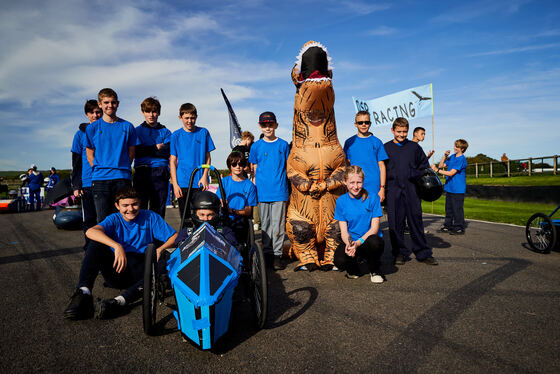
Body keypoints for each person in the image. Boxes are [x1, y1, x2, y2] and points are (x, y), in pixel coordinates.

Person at [63, 187, 177, 320]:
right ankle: (83, 293)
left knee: (167, 261)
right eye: (125, 205)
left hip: (142, 271)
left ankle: (118, 302)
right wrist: (117, 246)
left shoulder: (150, 216)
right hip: (118, 269)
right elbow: (90, 232)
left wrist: (160, 249)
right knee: (95, 244)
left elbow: (174, 236)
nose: (130, 209)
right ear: (117, 206)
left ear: (140, 202)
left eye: (134, 204)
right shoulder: (114, 219)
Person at [384, 117, 438, 266]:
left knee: (416, 220)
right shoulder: (385, 148)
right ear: (392, 130)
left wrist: (412, 173)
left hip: (412, 189)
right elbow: (381, 169)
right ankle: (399, 253)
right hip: (393, 190)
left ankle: (423, 252)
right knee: (395, 223)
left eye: (405, 132)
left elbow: (424, 167)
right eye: (399, 131)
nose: (402, 135)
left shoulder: (414, 148)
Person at [85, 88, 137, 222]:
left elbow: (131, 152)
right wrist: (98, 167)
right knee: (103, 220)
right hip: (100, 179)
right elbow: (89, 152)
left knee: (125, 218)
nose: (110, 106)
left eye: (113, 102)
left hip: (122, 178)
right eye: (106, 102)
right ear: (100, 104)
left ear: (118, 104)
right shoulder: (92, 128)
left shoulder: (127, 126)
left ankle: (123, 244)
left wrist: (122, 166)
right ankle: (105, 244)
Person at [249, 111, 290, 270]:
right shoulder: (256, 146)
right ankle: (266, 254)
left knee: (278, 226)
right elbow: (254, 169)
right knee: (265, 226)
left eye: (270, 124)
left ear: (276, 125)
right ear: (260, 126)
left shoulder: (283, 145)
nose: (268, 127)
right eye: (264, 125)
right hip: (262, 192)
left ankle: (278, 255)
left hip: (279, 191)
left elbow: (287, 167)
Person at [334, 166, 385, 283]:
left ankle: (375, 269)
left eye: (359, 182)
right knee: (339, 261)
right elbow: (344, 231)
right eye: (352, 182)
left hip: (367, 241)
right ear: (344, 182)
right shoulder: (341, 201)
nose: (356, 186)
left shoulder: (373, 198)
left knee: (375, 242)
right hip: (353, 241)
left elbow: (374, 228)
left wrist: (358, 243)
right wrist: (349, 245)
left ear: (363, 181)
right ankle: (355, 269)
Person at [169, 103, 215, 224]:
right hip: (182, 182)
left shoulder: (203, 132)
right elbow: (172, 161)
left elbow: (208, 158)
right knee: (185, 218)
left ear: (196, 117)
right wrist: (175, 184)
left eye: (192, 118)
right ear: (180, 118)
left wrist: (205, 176)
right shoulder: (175, 135)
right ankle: (186, 241)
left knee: (201, 217)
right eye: (186, 118)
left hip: (200, 182)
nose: (190, 121)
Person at [133, 97, 172, 218]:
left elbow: (166, 152)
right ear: (143, 112)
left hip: (160, 172)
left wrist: (146, 149)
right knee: (140, 208)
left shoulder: (165, 132)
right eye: (148, 111)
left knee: (158, 209)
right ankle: (142, 237)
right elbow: (137, 152)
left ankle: (157, 237)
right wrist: (156, 148)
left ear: (159, 113)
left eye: (154, 111)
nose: (151, 115)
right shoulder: (136, 131)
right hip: (141, 171)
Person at [71, 100, 102, 249]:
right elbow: (76, 162)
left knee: (105, 218)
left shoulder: (106, 130)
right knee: (89, 219)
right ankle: (90, 249)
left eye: (98, 112)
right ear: (87, 114)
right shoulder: (79, 134)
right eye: (92, 112)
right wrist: (77, 185)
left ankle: (106, 250)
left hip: (104, 180)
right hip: (87, 183)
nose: (95, 115)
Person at [343, 110, 388, 202]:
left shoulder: (377, 142)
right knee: (355, 214)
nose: (363, 124)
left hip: (373, 186)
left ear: (370, 123)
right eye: (360, 122)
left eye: (366, 122)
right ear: (356, 124)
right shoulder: (349, 142)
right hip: (354, 185)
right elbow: (346, 165)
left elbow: (382, 166)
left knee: (372, 214)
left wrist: (382, 188)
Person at [217, 151, 258, 246]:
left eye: (241, 164)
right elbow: (218, 201)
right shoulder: (224, 182)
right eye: (234, 164)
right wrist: (223, 207)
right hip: (224, 219)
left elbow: (248, 211)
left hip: (240, 220)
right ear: (230, 166)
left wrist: (232, 211)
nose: (237, 167)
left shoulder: (250, 185)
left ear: (244, 166)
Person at [174, 190, 238, 249]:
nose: (206, 219)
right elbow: (179, 247)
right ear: (195, 214)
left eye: (209, 215)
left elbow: (233, 246)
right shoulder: (187, 232)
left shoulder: (224, 231)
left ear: (216, 214)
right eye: (202, 215)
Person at [433, 139, 469, 235]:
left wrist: (436, 170)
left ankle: (459, 228)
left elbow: (451, 173)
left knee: (457, 209)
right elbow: (441, 165)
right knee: (448, 209)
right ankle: (447, 226)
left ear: (462, 149)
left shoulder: (461, 159)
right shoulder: (452, 157)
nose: (454, 147)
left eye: (457, 146)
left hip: (458, 189)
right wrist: (444, 156)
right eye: (455, 145)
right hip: (450, 187)